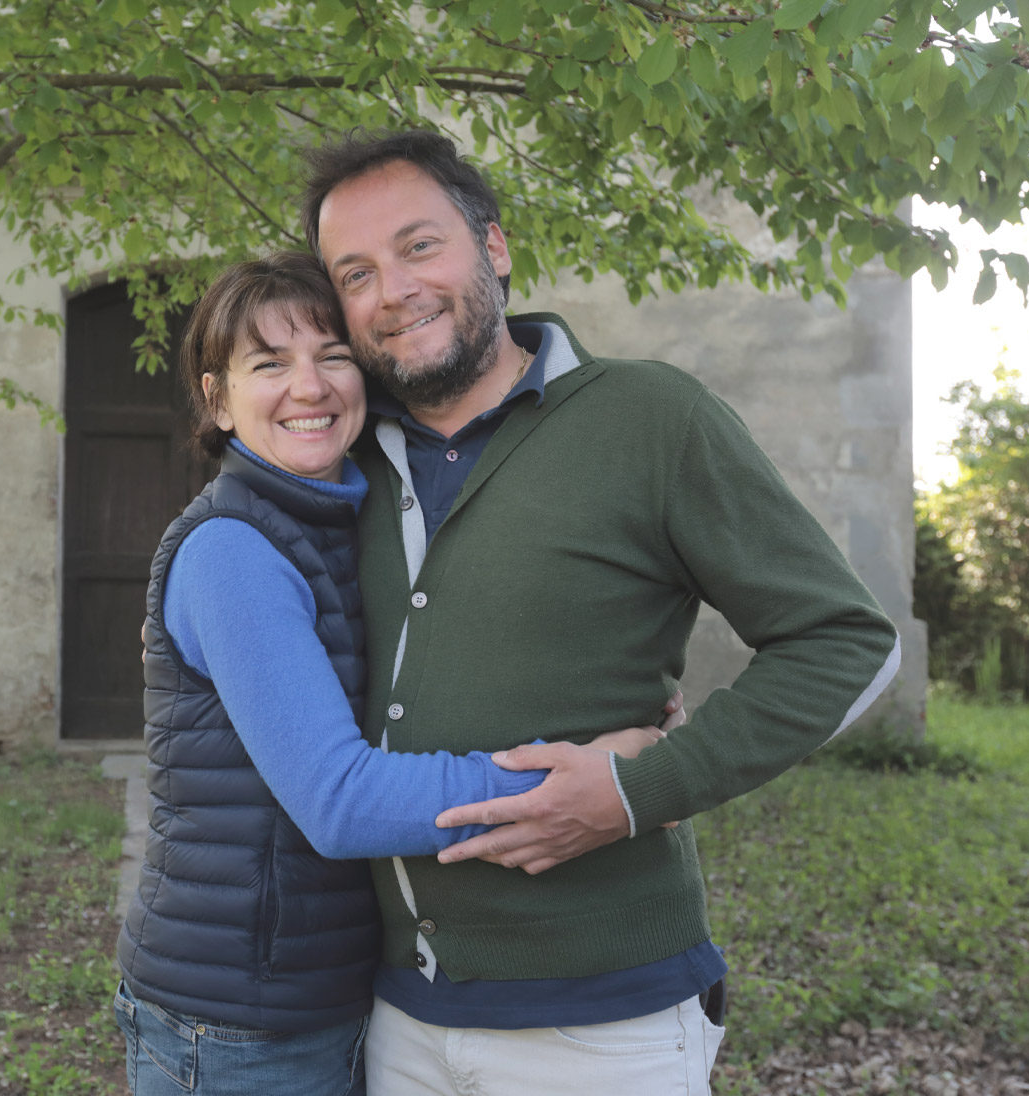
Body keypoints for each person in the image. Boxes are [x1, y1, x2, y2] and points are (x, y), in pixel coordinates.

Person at [301, 130, 904, 1096]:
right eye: (356, 273)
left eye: (421, 247)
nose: (393, 290)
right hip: (394, 1020)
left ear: (492, 248)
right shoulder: (337, 459)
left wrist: (642, 789)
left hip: (603, 1026)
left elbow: (846, 644)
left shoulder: (650, 417)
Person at [112, 250, 681, 1096]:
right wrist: (579, 778)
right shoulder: (234, 550)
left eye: (332, 356)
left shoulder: (341, 520)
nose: (308, 387)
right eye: (268, 365)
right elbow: (340, 803)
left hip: (329, 990)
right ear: (217, 399)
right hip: (238, 1020)